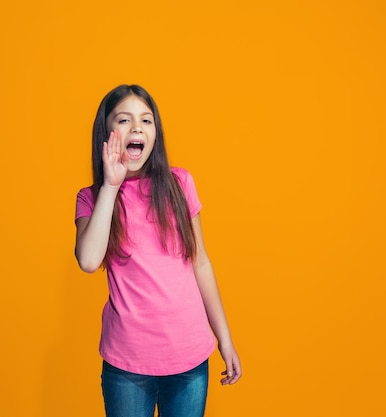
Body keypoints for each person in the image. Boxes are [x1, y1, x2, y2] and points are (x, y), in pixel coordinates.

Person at [74, 84, 241, 417]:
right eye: (124, 120)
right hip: (128, 366)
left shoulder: (180, 184)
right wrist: (111, 185)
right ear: (106, 133)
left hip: (190, 359)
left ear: (155, 133)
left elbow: (201, 263)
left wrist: (225, 338)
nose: (137, 127)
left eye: (146, 120)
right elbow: (89, 261)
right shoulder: (91, 198)